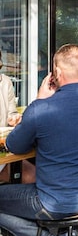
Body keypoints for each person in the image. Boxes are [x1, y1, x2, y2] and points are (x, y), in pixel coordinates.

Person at [0, 44, 78, 236]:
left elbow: (14, 145)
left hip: (56, 202)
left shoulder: (41, 109)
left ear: (56, 72)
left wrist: (39, 99)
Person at [0, 49, 35, 184]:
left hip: (3, 149)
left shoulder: (5, 82)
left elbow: (11, 112)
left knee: (34, 176)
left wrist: (14, 118)